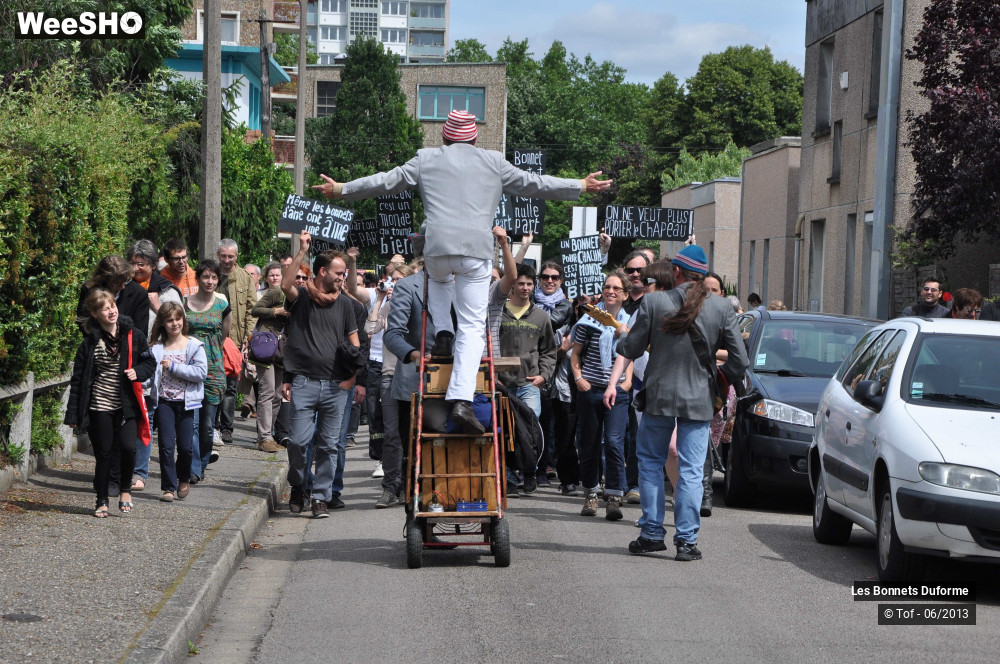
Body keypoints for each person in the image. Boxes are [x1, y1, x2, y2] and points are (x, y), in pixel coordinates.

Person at [313, 109, 612, 433]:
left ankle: (443, 333)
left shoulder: (426, 158)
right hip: (475, 251)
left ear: (444, 137)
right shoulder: (493, 161)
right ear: (475, 138)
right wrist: (580, 185)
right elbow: (535, 184)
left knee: (441, 285)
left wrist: (341, 188)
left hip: (437, 248)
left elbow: (385, 181)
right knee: (471, 326)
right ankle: (460, 399)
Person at [612, 245, 748, 561]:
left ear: (676, 272)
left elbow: (631, 349)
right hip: (699, 398)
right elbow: (740, 361)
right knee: (691, 469)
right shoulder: (721, 307)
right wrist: (718, 378)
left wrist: (622, 334)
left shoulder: (654, 302)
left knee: (650, 462)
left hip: (658, 395)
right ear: (702, 274)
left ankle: (651, 534)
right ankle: (686, 541)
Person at [280, 232, 361, 519]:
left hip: (336, 386)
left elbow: (355, 344)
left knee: (329, 446)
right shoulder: (302, 298)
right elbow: (285, 284)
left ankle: (320, 497)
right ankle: (298, 484)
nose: (342, 277)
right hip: (304, 382)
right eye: (339, 272)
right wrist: (302, 251)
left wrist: (353, 378)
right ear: (323, 271)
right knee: (298, 442)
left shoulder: (346, 304)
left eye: (344, 273)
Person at [65, 290, 155, 517]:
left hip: (127, 405)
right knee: (104, 453)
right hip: (99, 405)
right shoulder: (89, 343)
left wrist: (138, 372)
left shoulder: (133, 335)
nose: (112, 311)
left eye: (113, 306)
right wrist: (73, 415)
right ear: (95, 314)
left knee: (129, 448)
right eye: (105, 309)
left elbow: (149, 362)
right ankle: (102, 499)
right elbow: (78, 380)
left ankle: (125, 490)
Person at [571, 269, 635, 521]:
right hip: (591, 391)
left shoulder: (628, 324)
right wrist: (579, 379)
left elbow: (630, 355)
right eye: (607, 287)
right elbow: (576, 354)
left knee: (614, 443)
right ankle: (591, 494)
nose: (610, 291)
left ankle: (614, 497)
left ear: (625, 294)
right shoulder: (588, 320)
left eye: (616, 288)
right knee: (588, 444)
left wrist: (627, 382)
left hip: (617, 393)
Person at [127, 239, 183, 493]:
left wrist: (156, 306)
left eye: (141, 263)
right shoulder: (123, 286)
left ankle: (139, 472)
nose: (135, 268)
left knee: (145, 417)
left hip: (153, 363)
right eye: (132, 263)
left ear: (152, 265)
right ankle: (122, 468)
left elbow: (178, 325)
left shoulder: (166, 291)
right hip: (125, 359)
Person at [145, 302, 208, 502]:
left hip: (187, 403)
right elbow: (149, 375)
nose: (174, 324)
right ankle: (168, 487)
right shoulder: (156, 349)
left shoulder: (194, 346)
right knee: (165, 446)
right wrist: (136, 378)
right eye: (169, 320)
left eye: (178, 319)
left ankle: (184, 477)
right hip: (164, 402)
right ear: (162, 323)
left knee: (186, 447)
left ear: (183, 320)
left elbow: (201, 373)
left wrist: (173, 367)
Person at [371, 262, 416, 508]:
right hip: (389, 376)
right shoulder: (389, 306)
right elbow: (369, 329)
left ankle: (411, 484)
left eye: (399, 279)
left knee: (415, 434)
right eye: (392, 279)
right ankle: (390, 486)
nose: (394, 283)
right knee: (391, 434)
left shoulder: (420, 305)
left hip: (415, 377)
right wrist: (379, 300)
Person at [185, 260, 232, 483]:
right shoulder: (185, 303)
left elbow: (224, 335)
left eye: (214, 277)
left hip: (213, 367)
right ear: (198, 278)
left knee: (206, 425)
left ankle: (202, 462)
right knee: (191, 423)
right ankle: (193, 468)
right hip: (189, 368)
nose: (210, 281)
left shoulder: (222, 306)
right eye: (205, 277)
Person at [215, 239, 256, 445]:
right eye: (223, 256)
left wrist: (248, 338)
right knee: (213, 384)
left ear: (236, 256)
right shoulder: (211, 275)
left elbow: (251, 310)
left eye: (231, 256)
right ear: (218, 256)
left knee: (230, 387)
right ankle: (211, 426)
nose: (227, 260)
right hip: (213, 339)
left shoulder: (244, 278)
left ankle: (226, 428)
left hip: (235, 340)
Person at [249, 262, 288, 452]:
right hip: (266, 347)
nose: (275, 278)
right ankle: (264, 437)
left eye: (278, 275)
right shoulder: (276, 293)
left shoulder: (293, 294)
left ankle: (268, 435)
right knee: (267, 391)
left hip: (282, 350)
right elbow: (255, 310)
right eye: (271, 275)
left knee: (278, 394)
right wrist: (276, 311)